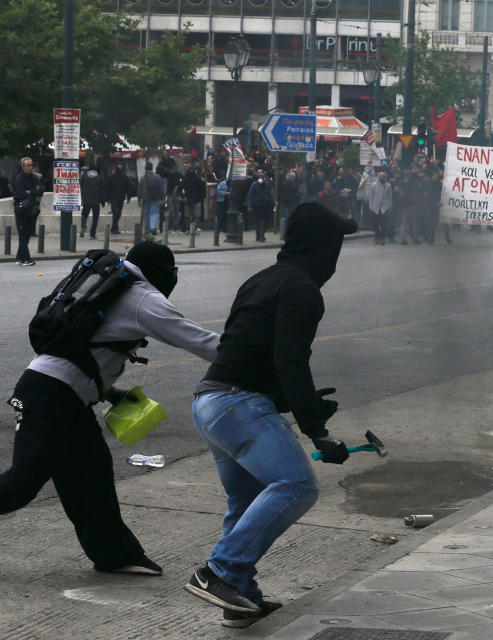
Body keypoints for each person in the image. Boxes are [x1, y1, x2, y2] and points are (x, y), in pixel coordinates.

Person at [2, 243, 220, 576]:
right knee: (22, 483)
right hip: (49, 396)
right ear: (162, 272)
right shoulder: (144, 297)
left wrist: (111, 393)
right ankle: (114, 552)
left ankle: (115, 554)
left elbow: (81, 353)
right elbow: (201, 341)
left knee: (92, 475)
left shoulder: (112, 284)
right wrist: (253, 356)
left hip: (61, 393)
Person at [185, 203, 356, 628]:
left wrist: (307, 404)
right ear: (323, 247)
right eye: (337, 245)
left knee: (244, 503)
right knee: (297, 485)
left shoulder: (260, 280)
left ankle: (240, 599)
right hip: (237, 403)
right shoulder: (302, 291)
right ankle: (219, 572)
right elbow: (290, 362)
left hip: (211, 404)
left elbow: (250, 352)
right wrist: (317, 430)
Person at [12, 157, 43, 266]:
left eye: (31, 165)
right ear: (23, 166)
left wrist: (31, 191)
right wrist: (33, 192)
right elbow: (20, 194)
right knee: (23, 234)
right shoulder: (19, 178)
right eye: (28, 165)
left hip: (32, 210)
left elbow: (41, 190)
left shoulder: (34, 177)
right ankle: (25, 258)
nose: (30, 167)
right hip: (21, 209)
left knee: (28, 233)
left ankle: (20, 257)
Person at [246, 170, 275, 242]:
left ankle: (262, 233)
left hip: (264, 205)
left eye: (262, 177)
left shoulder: (266, 185)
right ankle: (259, 235)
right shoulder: (254, 185)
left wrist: (274, 201)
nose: (261, 179)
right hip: (256, 205)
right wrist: (249, 205)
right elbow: (249, 195)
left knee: (266, 221)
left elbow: (269, 194)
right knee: (257, 221)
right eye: (260, 177)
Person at [79, 164, 105, 239]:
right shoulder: (99, 178)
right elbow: (102, 191)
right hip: (96, 201)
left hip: (86, 200)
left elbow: (81, 186)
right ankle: (92, 234)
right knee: (95, 218)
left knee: (84, 215)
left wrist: (83, 197)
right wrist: (103, 201)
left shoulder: (84, 177)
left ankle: (83, 226)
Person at [138, 162, 165, 235]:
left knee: (146, 214)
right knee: (155, 212)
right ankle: (153, 227)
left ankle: (147, 229)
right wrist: (163, 198)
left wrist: (139, 200)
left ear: (145, 169)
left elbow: (140, 189)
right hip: (156, 197)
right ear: (152, 168)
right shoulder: (157, 177)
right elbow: (161, 188)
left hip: (145, 198)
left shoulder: (143, 178)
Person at [368, 171, 392, 245]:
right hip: (375, 208)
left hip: (384, 208)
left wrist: (389, 206)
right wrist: (371, 206)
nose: (382, 178)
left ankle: (382, 238)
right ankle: (377, 236)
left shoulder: (388, 185)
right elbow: (371, 196)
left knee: (383, 224)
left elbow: (389, 197)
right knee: (375, 224)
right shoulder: (373, 185)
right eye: (380, 176)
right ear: (378, 177)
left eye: (383, 176)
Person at [106, 163, 128, 234]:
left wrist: (129, 196)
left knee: (118, 213)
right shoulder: (114, 177)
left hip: (118, 198)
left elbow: (127, 187)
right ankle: (115, 228)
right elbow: (108, 188)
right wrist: (108, 199)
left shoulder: (122, 177)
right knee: (116, 213)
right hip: (115, 198)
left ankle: (114, 227)